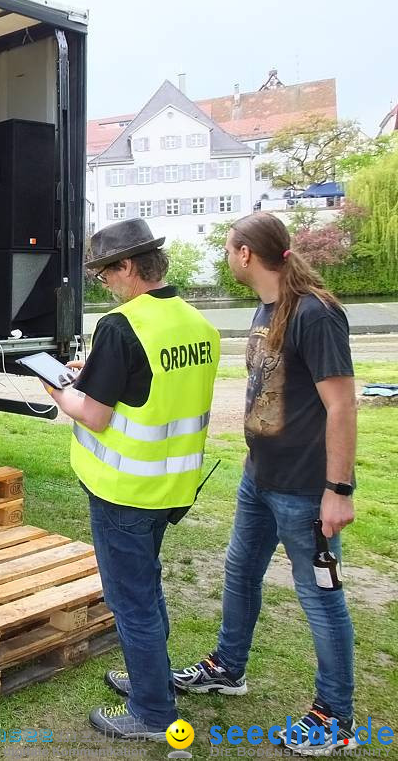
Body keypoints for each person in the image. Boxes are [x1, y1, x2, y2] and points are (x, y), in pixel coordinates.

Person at [172, 212, 358, 755]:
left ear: (246, 253)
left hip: (305, 487)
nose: (227, 256)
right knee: (239, 571)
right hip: (260, 477)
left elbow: (342, 404)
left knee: (321, 598)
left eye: (229, 248)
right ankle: (228, 668)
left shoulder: (314, 313)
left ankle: (335, 716)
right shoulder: (267, 307)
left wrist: (338, 490)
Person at [42, 218, 220, 741]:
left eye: (104, 275)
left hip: (123, 490)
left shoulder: (122, 326)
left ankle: (152, 712)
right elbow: (151, 387)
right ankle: (155, 681)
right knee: (148, 589)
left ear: (128, 267)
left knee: (132, 601)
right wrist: (93, 372)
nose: (105, 284)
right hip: (172, 487)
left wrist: (58, 389)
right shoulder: (197, 325)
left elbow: (94, 415)